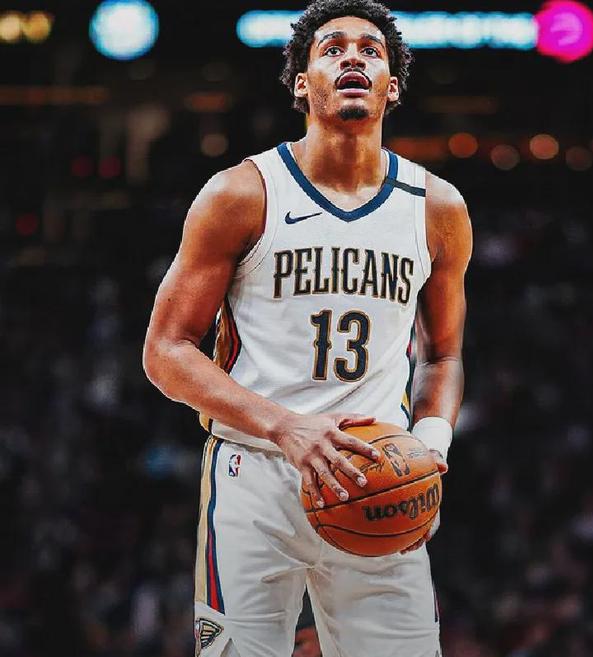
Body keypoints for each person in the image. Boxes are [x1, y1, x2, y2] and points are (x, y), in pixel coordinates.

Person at [143, 1, 472, 655]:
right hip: (257, 473)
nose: (353, 57)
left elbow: (443, 355)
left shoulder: (437, 207)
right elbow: (165, 350)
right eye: (332, 48)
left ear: (392, 87)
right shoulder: (241, 193)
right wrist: (283, 425)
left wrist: (431, 443)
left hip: (379, 476)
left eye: (371, 51)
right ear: (302, 83)